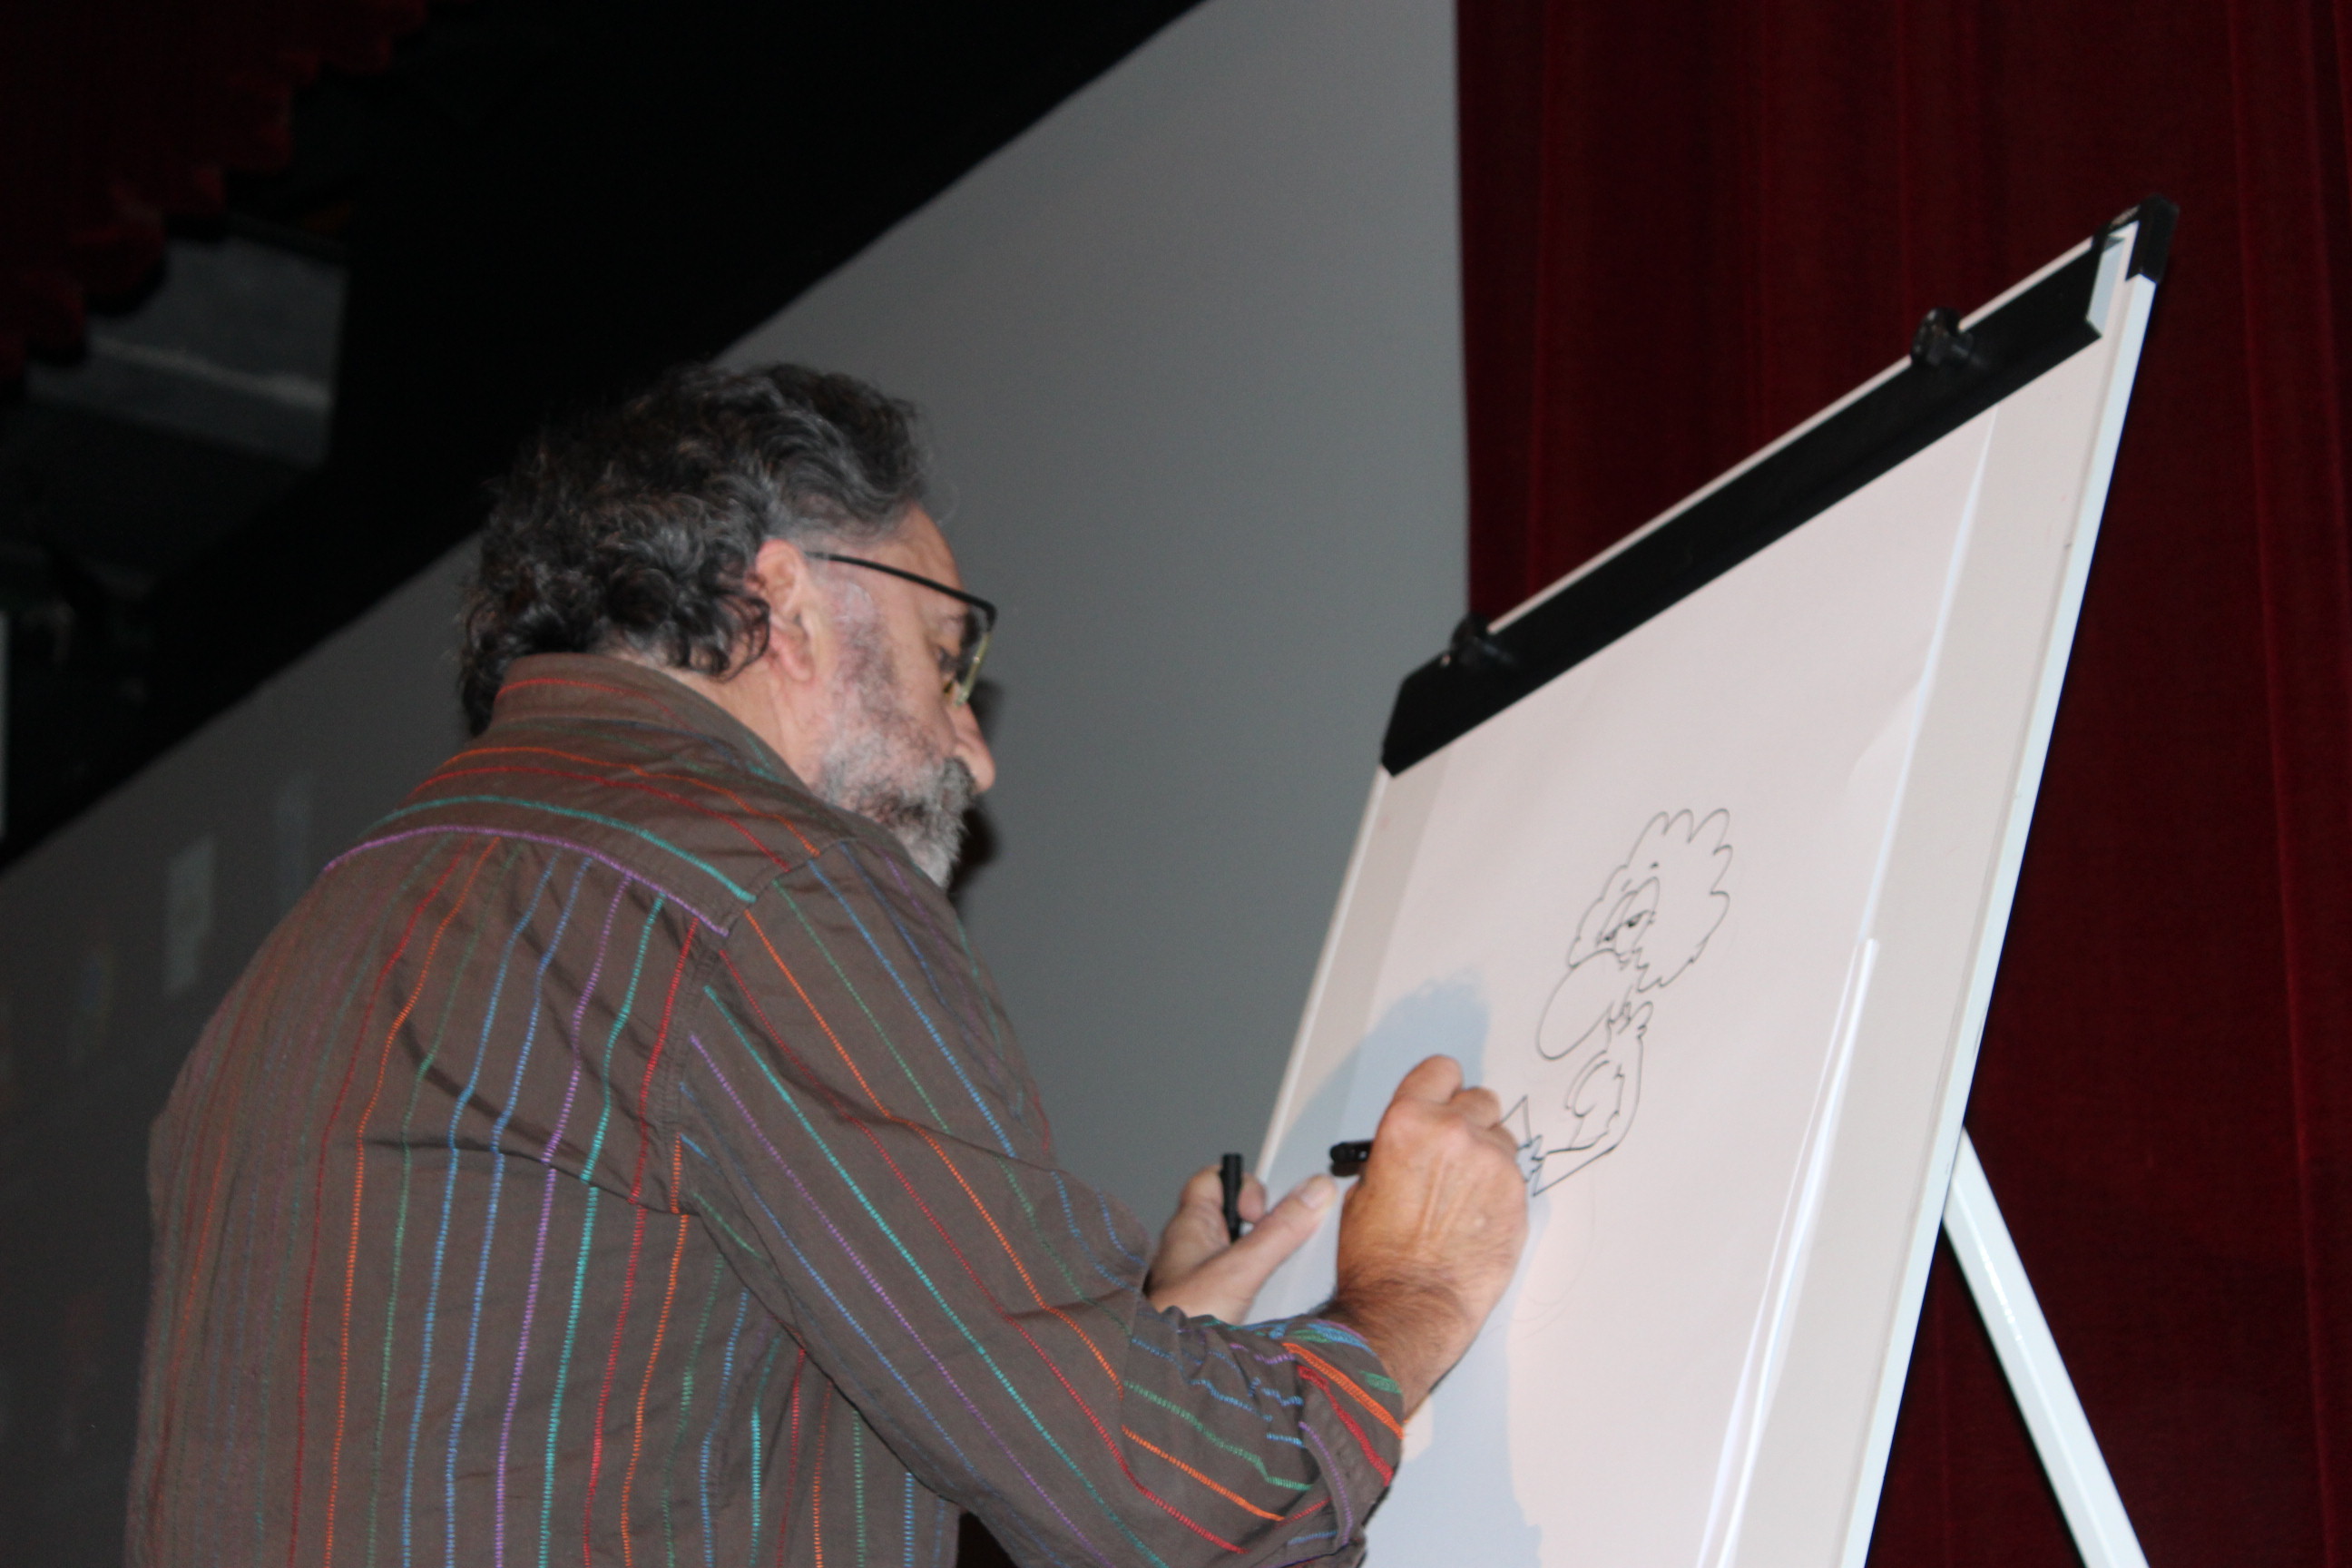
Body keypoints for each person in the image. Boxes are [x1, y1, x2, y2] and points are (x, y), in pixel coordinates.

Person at [128, 365, 1527, 1567]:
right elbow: (1142, 1495)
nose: (974, 749)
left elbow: (614, 1421)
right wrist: (1402, 1296)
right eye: (947, 658)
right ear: (785, 603)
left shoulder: (312, 950)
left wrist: (1129, 1342)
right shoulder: (753, 878)